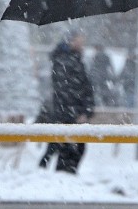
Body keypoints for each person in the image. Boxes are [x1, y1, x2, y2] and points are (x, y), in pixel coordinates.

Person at [38, 31, 95, 173]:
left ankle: (51, 174)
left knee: (61, 145)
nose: (82, 44)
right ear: (71, 41)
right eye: (79, 40)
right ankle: (61, 176)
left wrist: (85, 109)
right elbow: (70, 89)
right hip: (67, 113)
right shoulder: (66, 61)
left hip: (67, 112)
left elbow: (82, 87)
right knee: (68, 147)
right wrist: (79, 112)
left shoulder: (72, 59)